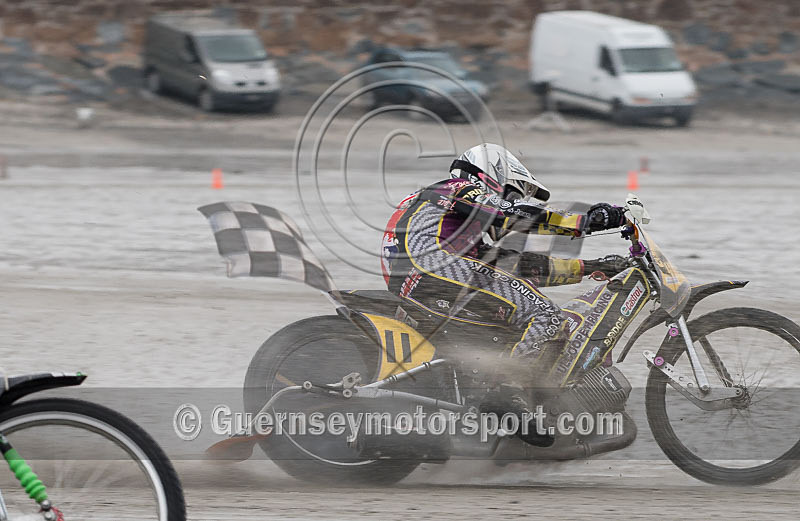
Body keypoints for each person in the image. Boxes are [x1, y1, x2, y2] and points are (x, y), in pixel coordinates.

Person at [381, 143, 628, 440]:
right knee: (546, 314)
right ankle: (505, 393)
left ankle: (484, 397)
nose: (513, 201)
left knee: (518, 313)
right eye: (512, 193)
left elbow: (517, 268)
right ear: (492, 174)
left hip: (422, 274)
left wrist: (590, 267)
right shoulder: (456, 189)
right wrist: (588, 221)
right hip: (429, 267)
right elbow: (513, 215)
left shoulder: (455, 227)